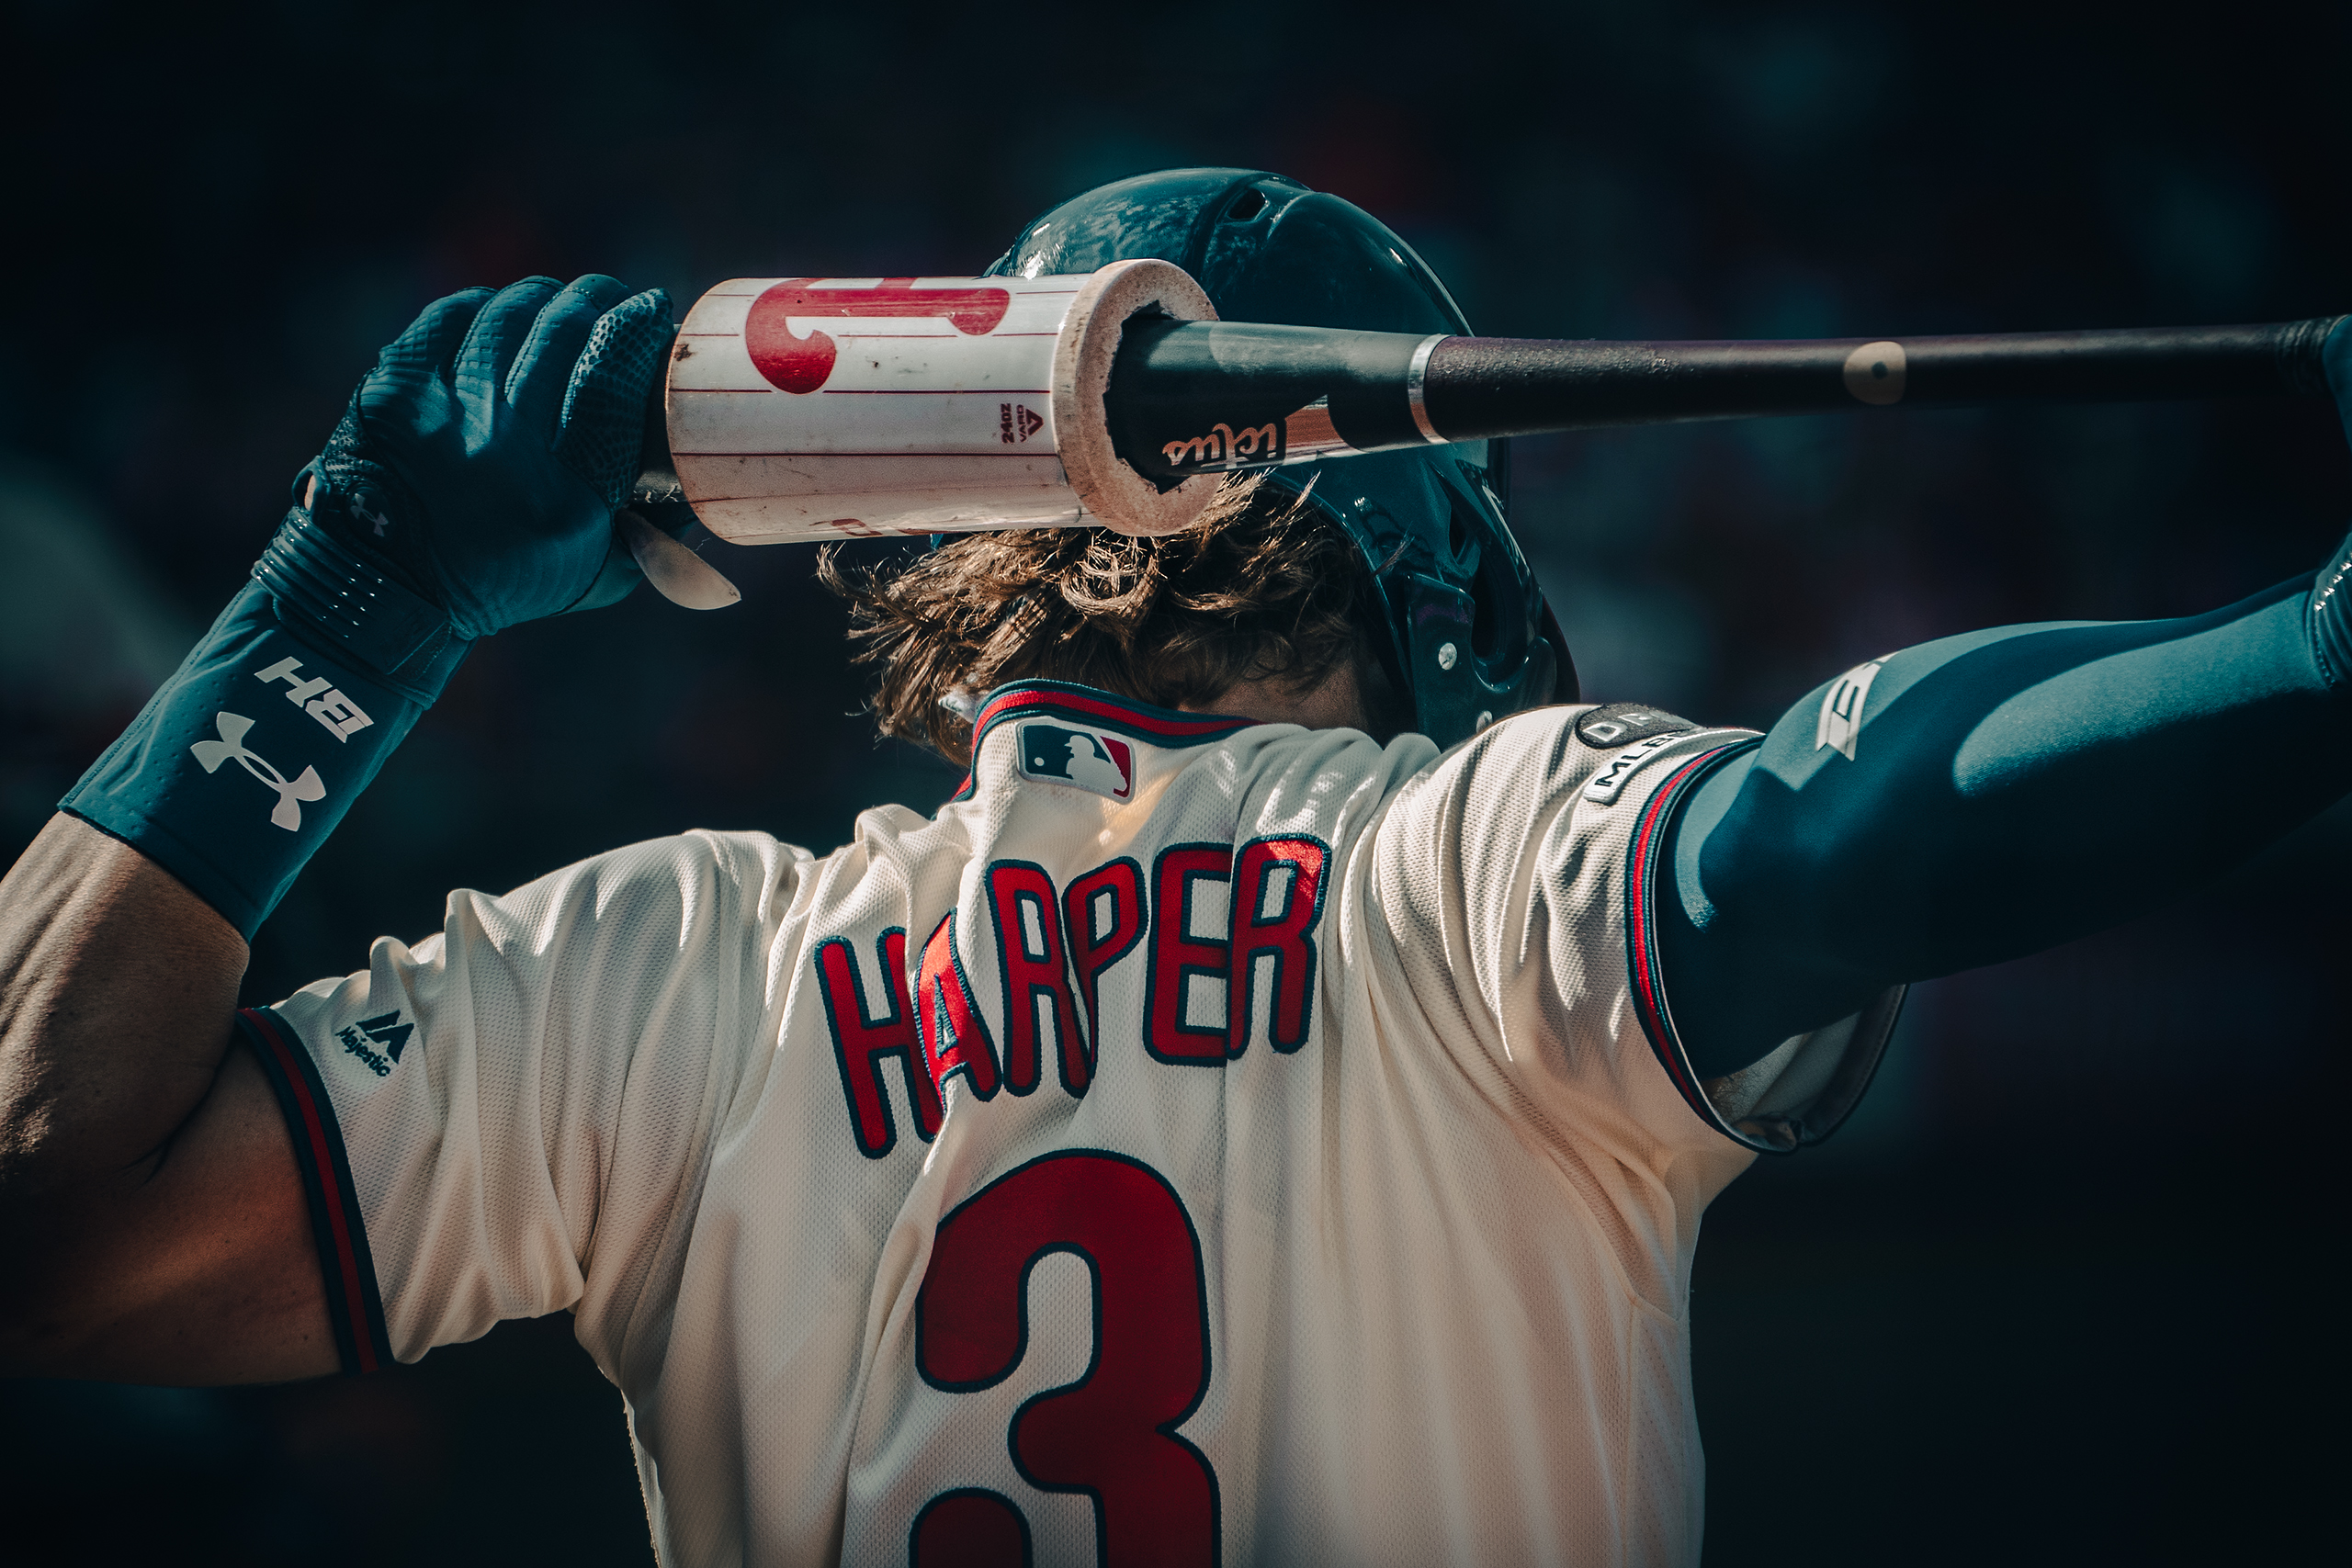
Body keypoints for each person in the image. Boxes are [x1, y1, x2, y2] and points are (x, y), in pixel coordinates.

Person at [1, 168, 2346, 1567]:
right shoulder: (1457, 869)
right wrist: (2316, 642)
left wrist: (347, 598)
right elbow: (1855, 815)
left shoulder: (670, 964)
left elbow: (50, 1226)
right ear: (1429, 569)